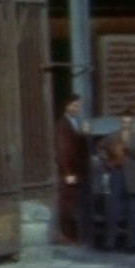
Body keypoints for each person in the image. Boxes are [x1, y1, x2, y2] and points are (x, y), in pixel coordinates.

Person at [100, 112, 135, 252]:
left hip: (133, 176)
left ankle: (132, 244)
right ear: (121, 122)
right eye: (124, 121)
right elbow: (100, 147)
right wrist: (108, 162)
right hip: (117, 173)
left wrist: (126, 147)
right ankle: (110, 242)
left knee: (133, 211)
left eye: (128, 121)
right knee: (113, 209)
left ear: (133, 122)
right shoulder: (113, 136)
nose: (126, 124)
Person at [54, 95, 87, 245]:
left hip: (76, 168)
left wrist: (83, 135)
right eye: (74, 106)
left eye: (78, 106)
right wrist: (67, 172)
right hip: (69, 170)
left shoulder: (75, 122)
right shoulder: (63, 124)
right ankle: (66, 234)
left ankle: (74, 234)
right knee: (67, 204)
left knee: (73, 203)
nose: (77, 108)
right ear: (67, 107)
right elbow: (63, 150)